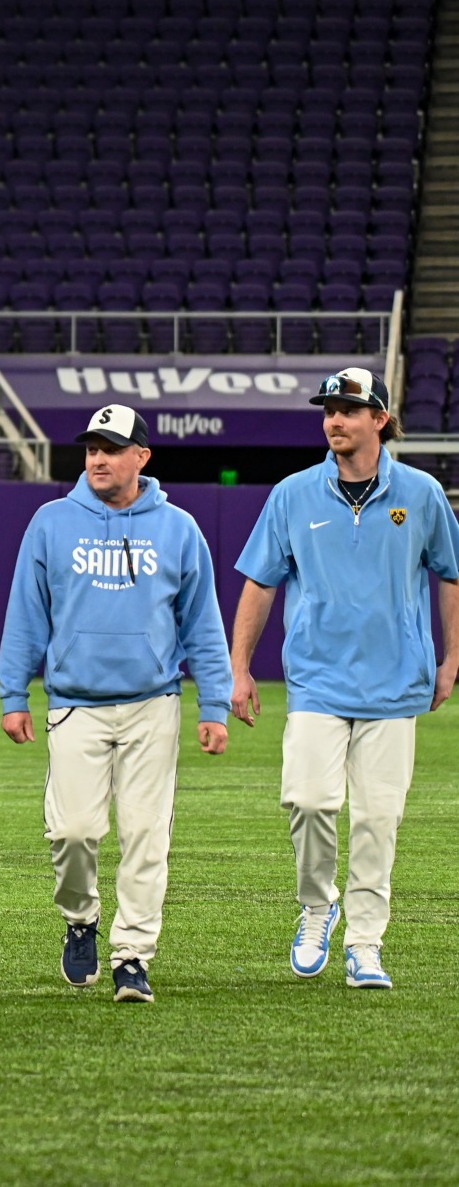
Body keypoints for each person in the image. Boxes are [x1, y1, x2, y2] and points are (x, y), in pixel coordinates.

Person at [230, 368, 459, 990]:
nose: (335, 420)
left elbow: (450, 574)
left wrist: (451, 657)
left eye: (349, 410)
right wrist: (240, 666)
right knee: (307, 800)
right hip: (317, 680)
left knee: (377, 819)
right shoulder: (293, 493)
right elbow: (260, 582)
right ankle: (316, 907)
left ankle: (365, 941)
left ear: (379, 419)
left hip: (394, 684)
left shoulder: (422, 492)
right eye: (328, 410)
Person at [0, 404, 233, 1003]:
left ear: (141, 457)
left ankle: (133, 956)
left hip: (154, 701)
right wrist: (12, 692)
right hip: (76, 701)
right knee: (73, 832)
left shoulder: (179, 528)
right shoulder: (51, 521)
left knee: (146, 835)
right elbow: (26, 613)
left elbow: (203, 624)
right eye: (91, 448)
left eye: (111, 448)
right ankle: (81, 918)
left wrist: (215, 703)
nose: (98, 458)